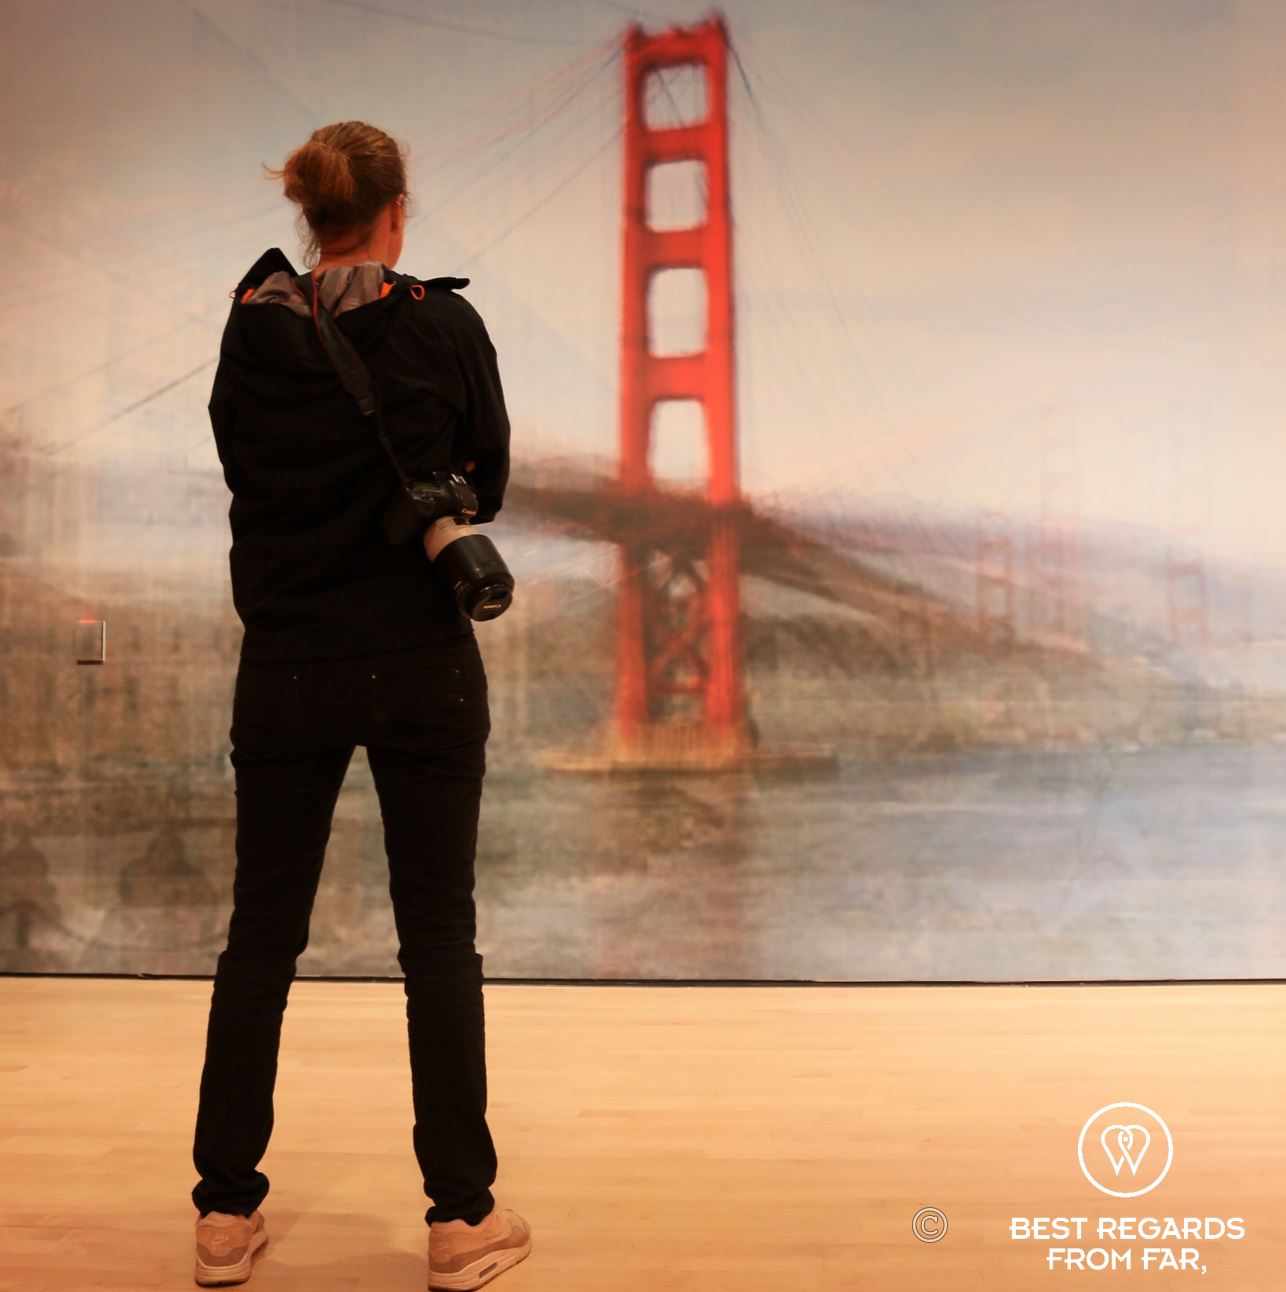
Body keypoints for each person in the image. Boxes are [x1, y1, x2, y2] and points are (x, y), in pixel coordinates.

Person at [190, 121, 532, 1290]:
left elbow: (244, 466)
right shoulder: (445, 323)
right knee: (436, 936)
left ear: (307, 214)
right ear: (397, 211)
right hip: (422, 661)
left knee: (260, 939)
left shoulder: (249, 332)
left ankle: (225, 1216)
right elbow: (484, 475)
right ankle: (458, 1221)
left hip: (286, 660)